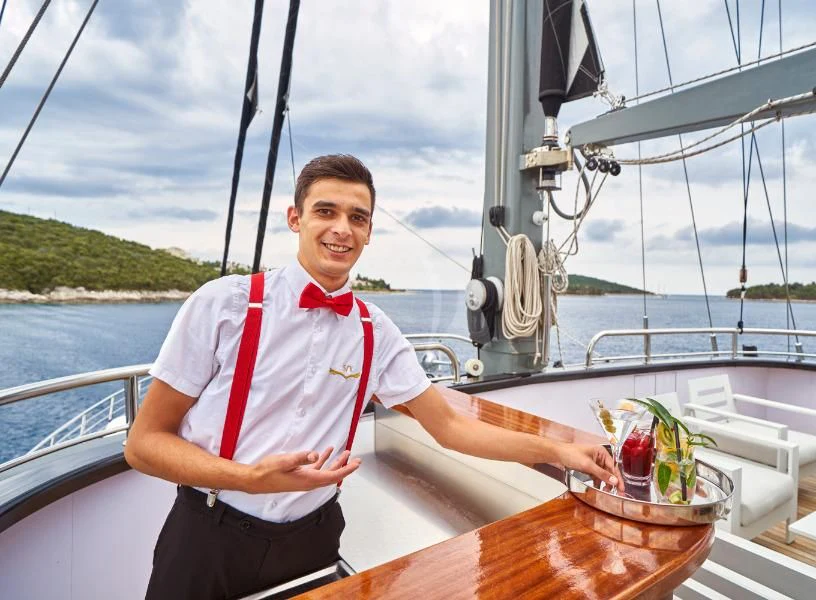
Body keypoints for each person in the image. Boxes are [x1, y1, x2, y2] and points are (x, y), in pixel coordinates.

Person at [125, 154, 620, 600]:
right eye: (326, 211)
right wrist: (249, 479)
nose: (342, 229)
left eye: (357, 218)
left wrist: (559, 451)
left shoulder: (375, 332)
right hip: (208, 533)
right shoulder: (225, 305)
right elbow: (144, 443)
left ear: (369, 232)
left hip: (312, 538)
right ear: (295, 218)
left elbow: (452, 427)